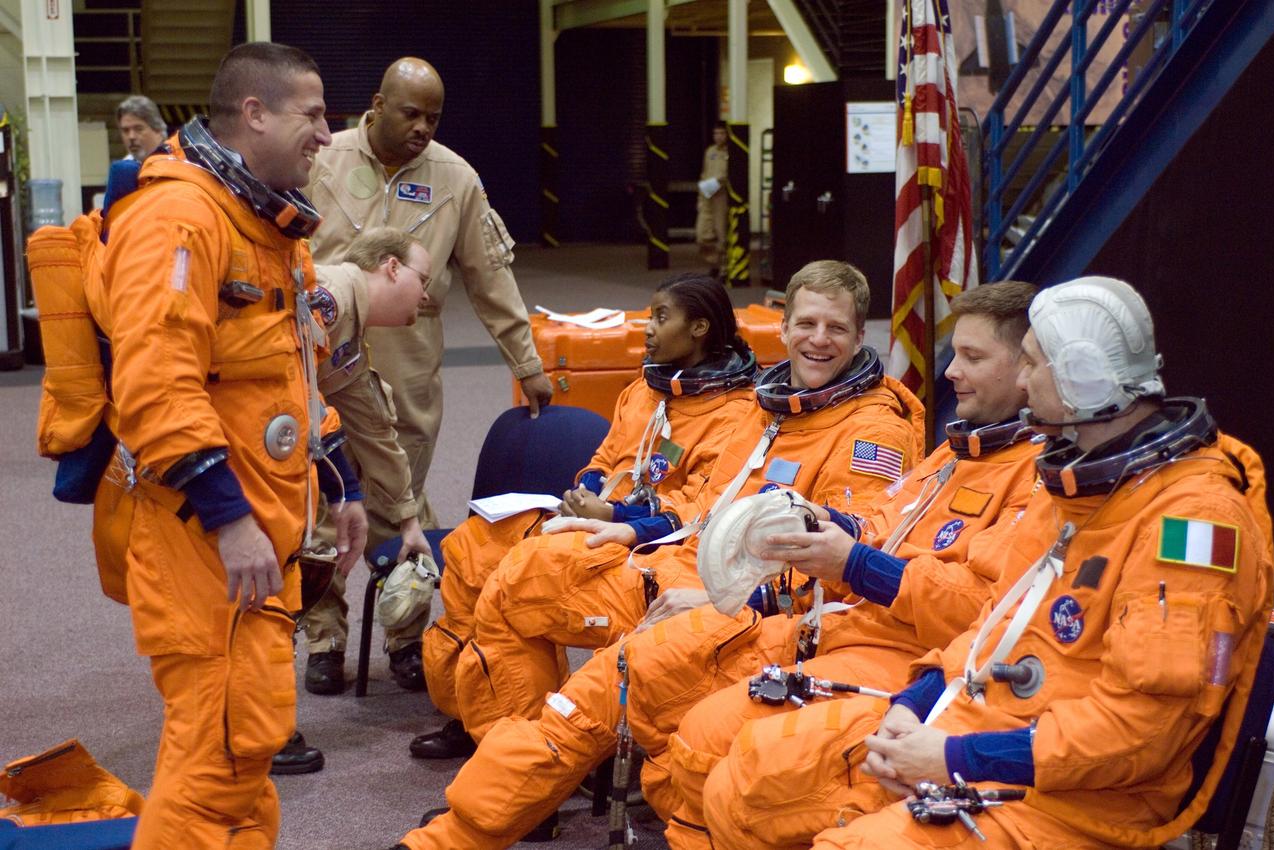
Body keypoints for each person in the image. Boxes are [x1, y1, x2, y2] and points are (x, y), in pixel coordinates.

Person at [701, 276, 1274, 850]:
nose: (1021, 382)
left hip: (1076, 802)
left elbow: (1140, 735)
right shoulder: (1074, 490)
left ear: (1081, 377)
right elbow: (990, 628)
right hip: (979, 730)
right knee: (742, 786)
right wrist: (916, 706)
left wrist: (953, 755)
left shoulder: (1193, 527)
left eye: (1028, 364)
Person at [388, 259, 927, 849]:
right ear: (785, 325)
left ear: (859, 337)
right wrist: (632, 530)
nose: (818, 340)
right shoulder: (766, 406)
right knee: (521, 579)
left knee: (598, 689)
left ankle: (466, 829)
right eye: (806, 324)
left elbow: (852, 559)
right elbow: (702, 501)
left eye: (836, 329)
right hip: (679, 565)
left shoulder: (874, 429)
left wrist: (723, 592)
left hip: (759, 610)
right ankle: (525, 791)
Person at [657, 280, 1041, 847]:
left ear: (1031, 367)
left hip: (909, 654)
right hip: (849, 624)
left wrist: (855, 563)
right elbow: (884, 523)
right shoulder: (956, 452)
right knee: (693, 739)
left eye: (973, 357)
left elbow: (981, 615)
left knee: (736, 772)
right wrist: (829, 524)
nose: (950, 372)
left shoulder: (1034, 479)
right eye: (954, 352)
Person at [99, 43, 368, 849]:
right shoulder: (177, 220)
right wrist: (228, 518)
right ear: (255, 113)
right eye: (312, 114)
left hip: (264, 531)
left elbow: (290, 377)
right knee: (218, 753)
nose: (328, 133)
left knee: (246, 749)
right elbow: (154, 386)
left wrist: (343, 485)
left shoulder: (267, 224)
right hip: (202, 537)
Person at [412, 272, 760, 760]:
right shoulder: (643, 389)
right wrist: (587, 492)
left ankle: (527, 752)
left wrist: (614, 513)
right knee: (474, 550)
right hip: (598, 518)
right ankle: (473, 718)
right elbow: (606, 456)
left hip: (654, 546)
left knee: (522, 581)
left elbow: (702, 509)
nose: (649, 328)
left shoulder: (737, 412)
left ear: (700, 328)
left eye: (662, 317)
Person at [302, 56, 554, 695]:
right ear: (377, 104)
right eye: (410, 113)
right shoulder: (321, 157)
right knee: (325, 497)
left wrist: (525, 362)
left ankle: (406, 634)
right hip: (324, 345)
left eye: (433, 117)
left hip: (408, 355)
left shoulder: (454, 177)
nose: (422, 127)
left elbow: (490, 275)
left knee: (400, 493)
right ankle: (325, 635)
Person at [272, 226, 436, 775]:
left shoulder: (347, 326)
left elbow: (374, 428)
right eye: (422, 279)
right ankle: (255, 727)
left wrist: (408, 519)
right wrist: (347, 488)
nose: (427, 296)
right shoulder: (329, 298)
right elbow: (289, 400)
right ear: (390, 267)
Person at [695, 122, 729, 278]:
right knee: (702, 234)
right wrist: (700, 198)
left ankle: (723, 268)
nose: (718, 136)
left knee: (721, 233)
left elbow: (725, 177)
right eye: (716, 133)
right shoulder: (710, 151)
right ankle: (713, 261)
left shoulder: (729, 152)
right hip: (707, 195)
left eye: (721, 133)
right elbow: (704, 174)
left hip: (721, 197)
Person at [114, 95, 167, 161]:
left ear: (158, 131)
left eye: (139, 129)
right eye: (126, 131)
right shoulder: (125, 167)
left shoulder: (178, 163)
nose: (131, 137)